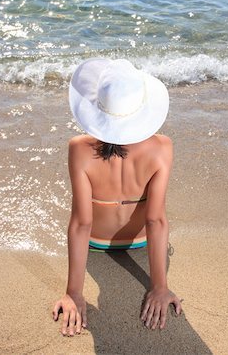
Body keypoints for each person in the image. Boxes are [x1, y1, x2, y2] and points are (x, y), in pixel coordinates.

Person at [52, 58, 183, 336]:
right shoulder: (162, 148)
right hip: (140, 243)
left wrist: (73, 292)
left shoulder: (79, 148)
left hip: (95, 244)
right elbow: (155, 220)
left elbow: (81, 223)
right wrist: (159, 286)